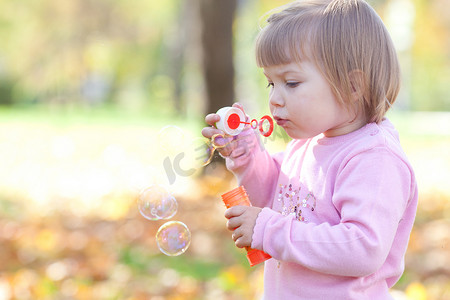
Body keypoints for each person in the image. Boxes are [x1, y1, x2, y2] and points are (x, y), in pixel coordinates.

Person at [201, 0, 418, 298]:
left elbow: (363, 248)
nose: (275, 99)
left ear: (353, 86)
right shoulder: (306, 144)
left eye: (290, 82)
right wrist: (248, 158)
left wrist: (270, 231)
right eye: (270, 84)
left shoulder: (374, 158)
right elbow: (270, 198)